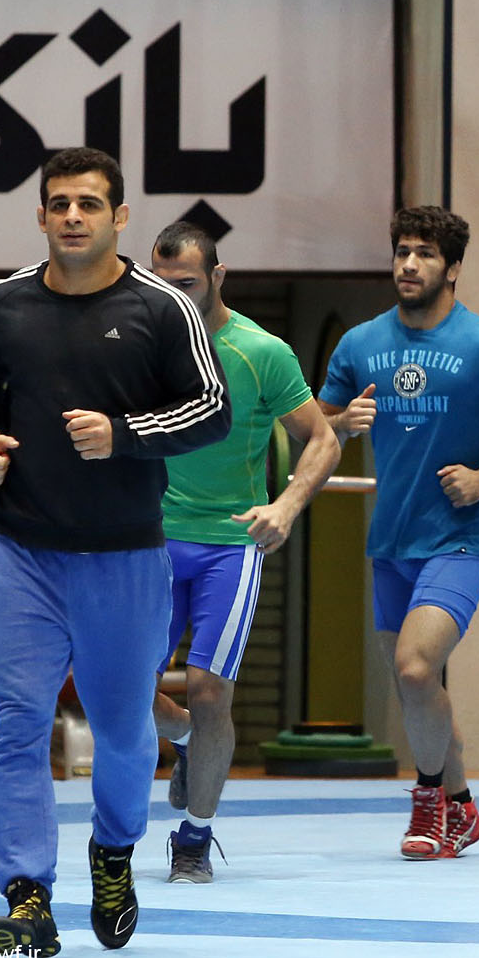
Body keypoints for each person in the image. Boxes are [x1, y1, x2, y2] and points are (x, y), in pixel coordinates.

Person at [0, 147, 231, 955]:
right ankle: (27, 896)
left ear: (120, 217)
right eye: (60, 203)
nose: (73, 216)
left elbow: (211, 408)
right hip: (18, 552)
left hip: (124, 559)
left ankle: (113, 852)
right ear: (41, 215)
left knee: (125, 731)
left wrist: (126, 433)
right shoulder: (0, 302)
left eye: (90, 204)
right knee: (19, 725)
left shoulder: (160, 308)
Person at [317, 205, 479, 860]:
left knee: (415, 665)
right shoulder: (360, 344)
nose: (409, 264)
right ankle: (462, 808)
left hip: (460, 537)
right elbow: (315, 424)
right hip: (390, 541)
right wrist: (341, 423)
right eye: (402, 251)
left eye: (425, 253)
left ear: (452, 268)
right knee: (416, 687)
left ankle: (429, 802)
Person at [146, 221, 340, 883]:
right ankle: (184, 739)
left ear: (218, 277)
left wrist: (285, 506)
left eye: (187, 283)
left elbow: (323, 440)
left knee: (209, 691)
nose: (174, 296)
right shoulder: (139, 345)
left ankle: (194, 837)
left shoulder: (262, 351)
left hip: (231, 544)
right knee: (119, 691)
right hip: (150, 542)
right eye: (162, 284)